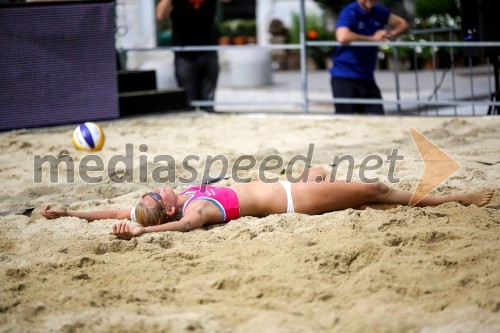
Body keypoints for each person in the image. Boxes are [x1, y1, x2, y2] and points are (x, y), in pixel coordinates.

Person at [41, 167, 494, 240]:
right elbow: (181, 229)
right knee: (375, 187)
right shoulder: (193, 212)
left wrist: (68, 213)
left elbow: (117, 212)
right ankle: (459, 198)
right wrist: (146, 231)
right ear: (172, 208)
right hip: (294, 202)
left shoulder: (184, 196)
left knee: (321, 173)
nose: (160, 189)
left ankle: (357, 203)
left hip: (291, 185)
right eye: (157, 196)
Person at [330, 0, 409, 114]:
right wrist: (372, 39)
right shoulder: (350, 12)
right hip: (344, 76)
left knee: (377, 117)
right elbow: (342, 36)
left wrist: (390, 34)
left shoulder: (379, 11)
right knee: (345, 120)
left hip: (366, 76)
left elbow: (403, 24)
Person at [156, 0, 219, 112]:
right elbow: (160, 15)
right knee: (187, 102)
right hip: (184, 53)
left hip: (208, 50)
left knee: (208, 104)